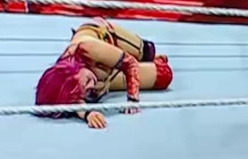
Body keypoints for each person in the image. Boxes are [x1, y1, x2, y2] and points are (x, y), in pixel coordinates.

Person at [34, 18, 174, 129]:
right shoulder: (72, 83)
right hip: (107, 73)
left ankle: (143, 57)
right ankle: (120, 61)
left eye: (87, 81)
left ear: (77, 69)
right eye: (86, 91)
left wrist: (133, 99)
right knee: (163, 76)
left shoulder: (88, 49)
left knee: (148, 51)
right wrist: (89, 114)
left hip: (106, 36)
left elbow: (130, 63)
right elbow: (74, 101)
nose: (91, 85)